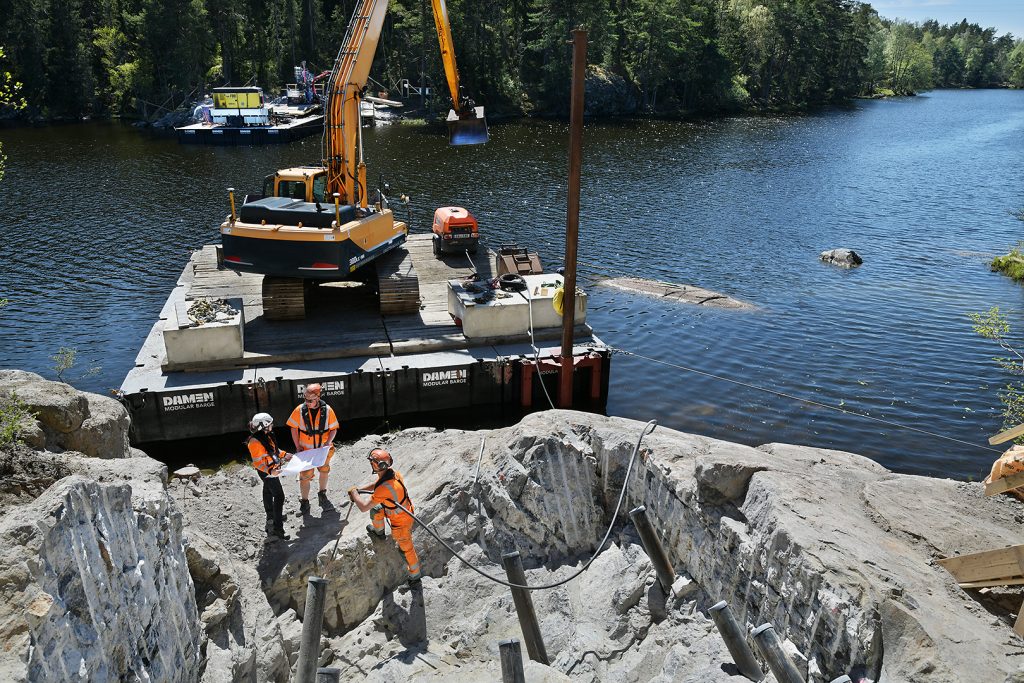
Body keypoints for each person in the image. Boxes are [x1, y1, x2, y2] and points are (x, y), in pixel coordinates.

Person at [348, 448, 422, 586]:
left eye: (372, 463)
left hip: (401, 522)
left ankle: (415, 575)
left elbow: (364, 507)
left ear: (376, 465)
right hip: (399, 511)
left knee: (405, 549)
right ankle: (379, 532)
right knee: (377, 510)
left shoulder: (385, 488)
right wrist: (359, 490)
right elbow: (377, 485)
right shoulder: (393, 474)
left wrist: (354, 495)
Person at [288, 383, 339, 515]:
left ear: (317, 398)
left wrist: (328, 442)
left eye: (310, 400)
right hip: (306, 450)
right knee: (304, 477)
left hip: (323, 450)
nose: (307, 402)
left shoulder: (327, 410)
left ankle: (322, 493)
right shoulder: (299, 410)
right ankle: (304, 501)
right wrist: (297, 446)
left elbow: (333, 429)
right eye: (305, 399)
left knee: (324, 470)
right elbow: (293, 428)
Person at [246, 412, 292, 541]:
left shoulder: (267, 436)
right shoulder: (255, 442)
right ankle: (278, 529)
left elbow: (274, 451)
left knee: (267, 491)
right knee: (279, 496)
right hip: (267, 472)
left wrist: (284, 454)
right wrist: (270, 472)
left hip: (271, 470)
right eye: (270, 424)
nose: (272, 425)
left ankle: (271, 516)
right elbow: (257, 463)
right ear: (264, 426)